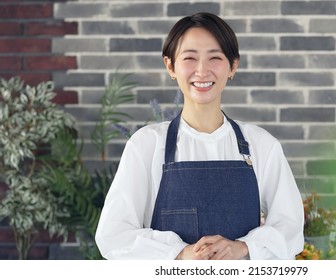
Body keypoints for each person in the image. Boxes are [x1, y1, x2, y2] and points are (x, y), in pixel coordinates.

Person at [95, 12, 304, 260]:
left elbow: (290, 228)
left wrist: (245, 247)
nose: (202, 70)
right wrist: (180, 253)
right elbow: (113, 235)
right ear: (170, 66)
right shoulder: (146, 145)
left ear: (233, 66)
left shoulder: (261, 145)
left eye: (215, 58)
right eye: (190, 58)